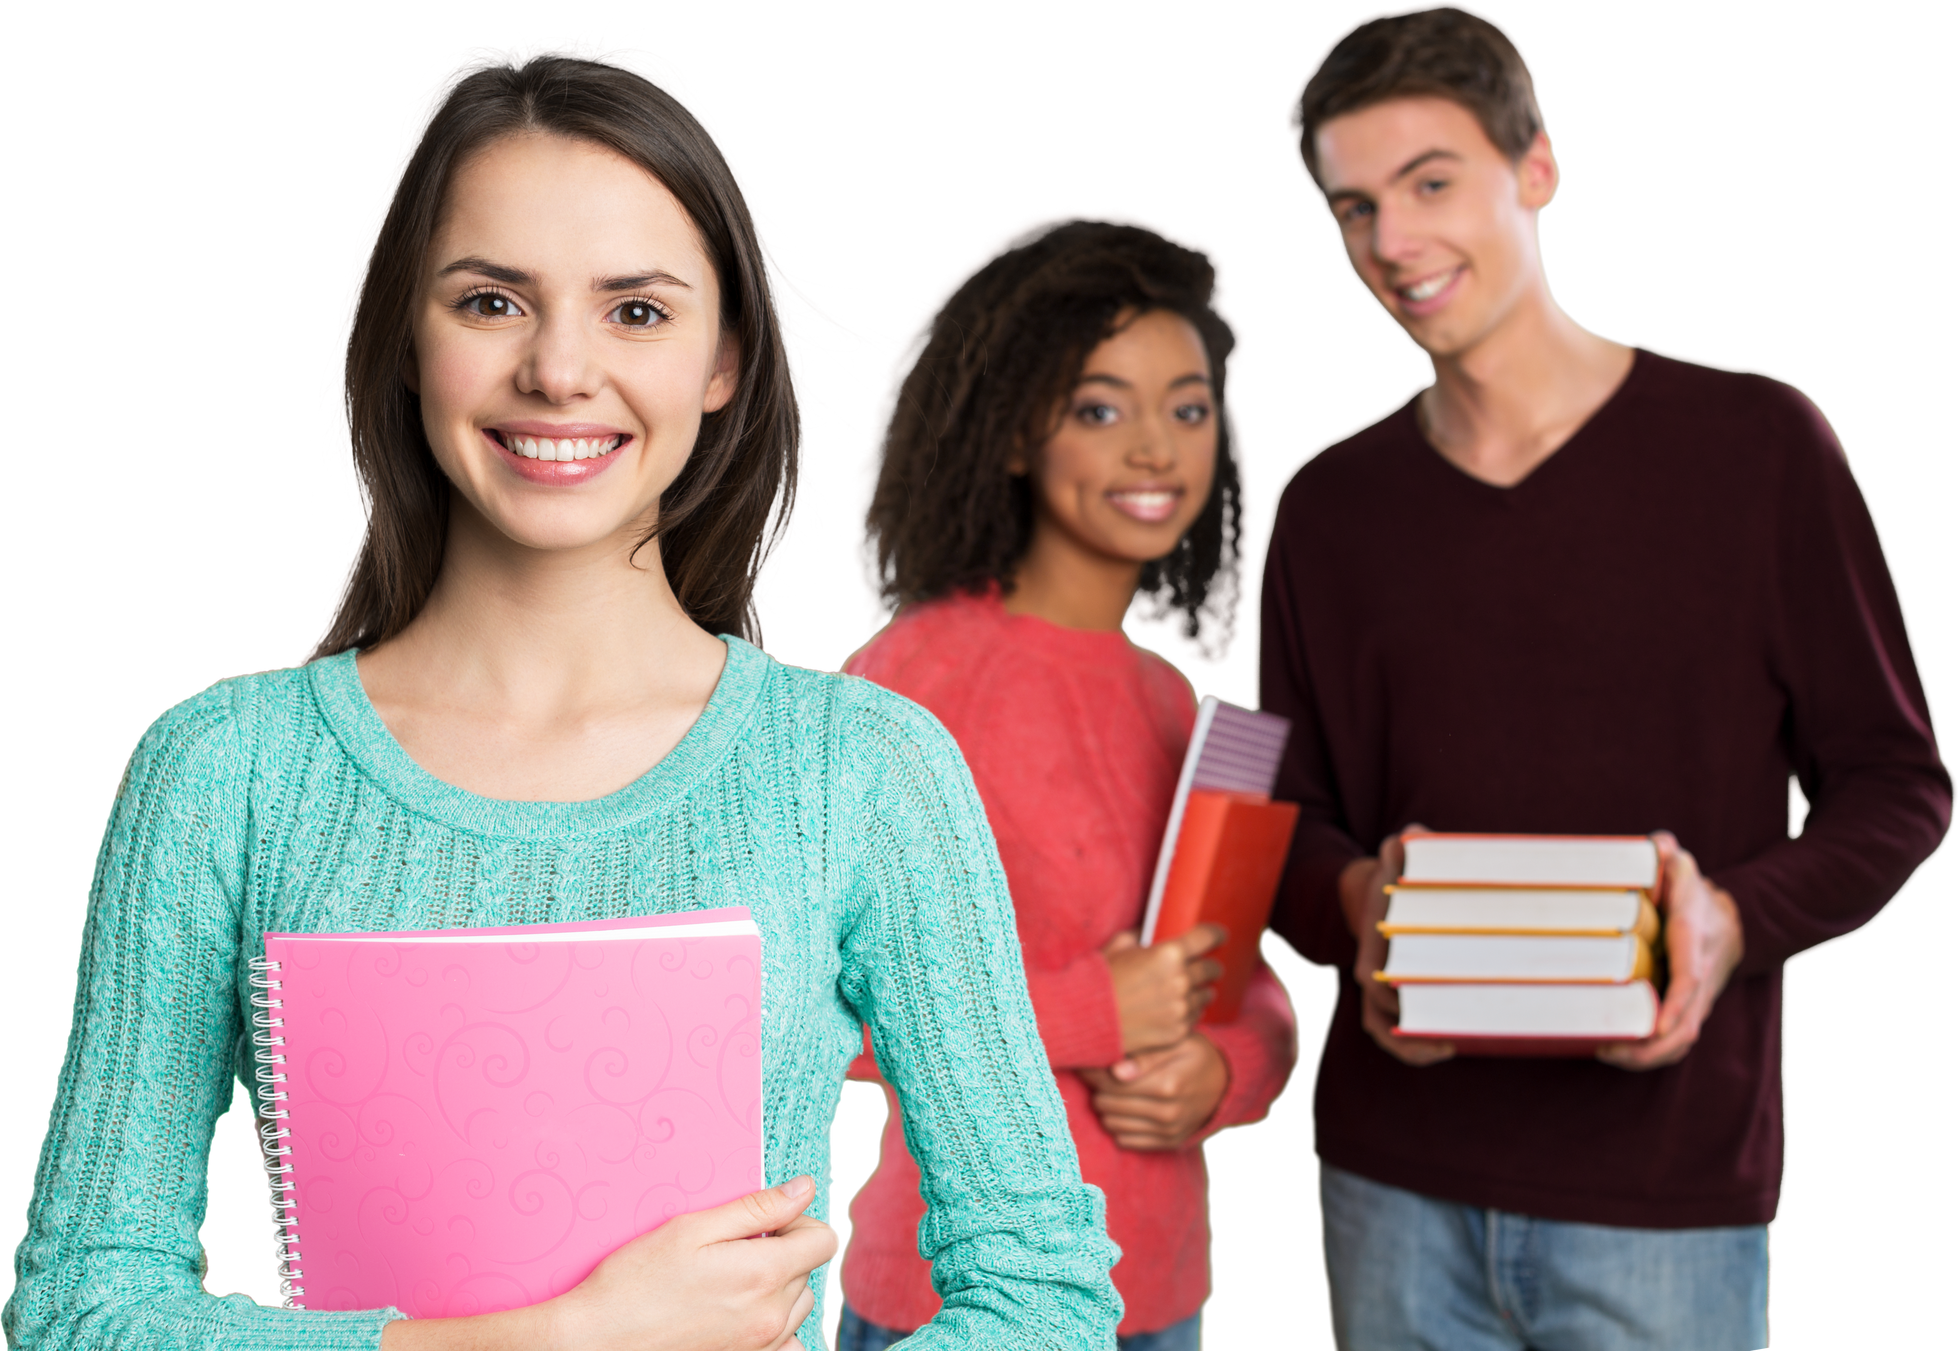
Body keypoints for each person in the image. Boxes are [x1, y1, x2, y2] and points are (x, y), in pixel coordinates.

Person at [2, 54, 1122, 1351]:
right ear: (408, 341)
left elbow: (1041, 1296)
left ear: (724, 359)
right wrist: (555, 1335)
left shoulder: (860, 767)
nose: (558, 370)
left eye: (636, 312)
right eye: (490, 301)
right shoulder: (220, 772)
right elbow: (83, 1312)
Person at [1261, 5, 1954, 1348]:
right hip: (1386, 1183)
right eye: (1352, 208)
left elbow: (1895, 783)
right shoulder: (1328, 507)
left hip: (1662, 1199)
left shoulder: (1757, 447)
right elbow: (1271, 820)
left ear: (1534, 170)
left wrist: (1728, 921)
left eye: (1428, 183)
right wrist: (1352, 900)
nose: (1390, 243)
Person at [834, 219, 1303, 1351]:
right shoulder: (914, 677)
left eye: (1188, 408)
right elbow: (825, 1007)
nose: (1157, 448)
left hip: (1163, 1296)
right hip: (964, 1299)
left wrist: (1223, 1068)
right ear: (1010, 436)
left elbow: (1244, 984)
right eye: (1101, 407)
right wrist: (1097, 1010)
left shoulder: (1179, 707)